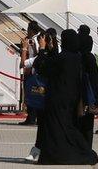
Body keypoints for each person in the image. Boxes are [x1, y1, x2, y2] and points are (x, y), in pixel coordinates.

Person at [33, 29, 98, 165]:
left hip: (57, 99)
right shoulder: (76, 58)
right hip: (71, 100)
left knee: (55, 129)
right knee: (67, 128)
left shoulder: (63, 58)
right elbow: (53, 65)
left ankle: (59, 155)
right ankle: (81, 152)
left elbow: (41, 67)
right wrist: (51, 50)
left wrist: (42, 48)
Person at [26, 28, 59, 162]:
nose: (41, 42)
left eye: (44, 39)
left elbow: (43, 66)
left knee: (46, 126)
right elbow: (38, 64)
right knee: (42, 125)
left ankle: (40, 153)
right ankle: (37, 152)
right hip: (43, 96)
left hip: (50, 96)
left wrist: (43, 49)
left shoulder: (55, 55)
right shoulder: (46, 54)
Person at [77, 33, 98, 149]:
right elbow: (96, 81)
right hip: (91, 98)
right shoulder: (91, 58)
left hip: (81, 97)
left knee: (80, 125)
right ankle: (87, 148)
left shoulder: (80, 57)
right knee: (88, 127)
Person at [19, 20, 43, 126]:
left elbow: (38, 54)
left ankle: (32, 117)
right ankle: (31, 116)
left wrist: (25, 48)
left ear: (32, 30)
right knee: (32, 94)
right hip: (32, 68)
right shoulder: (33, 39)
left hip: (33, 70)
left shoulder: (36, 40)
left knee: (32, 93)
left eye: (28, 30)